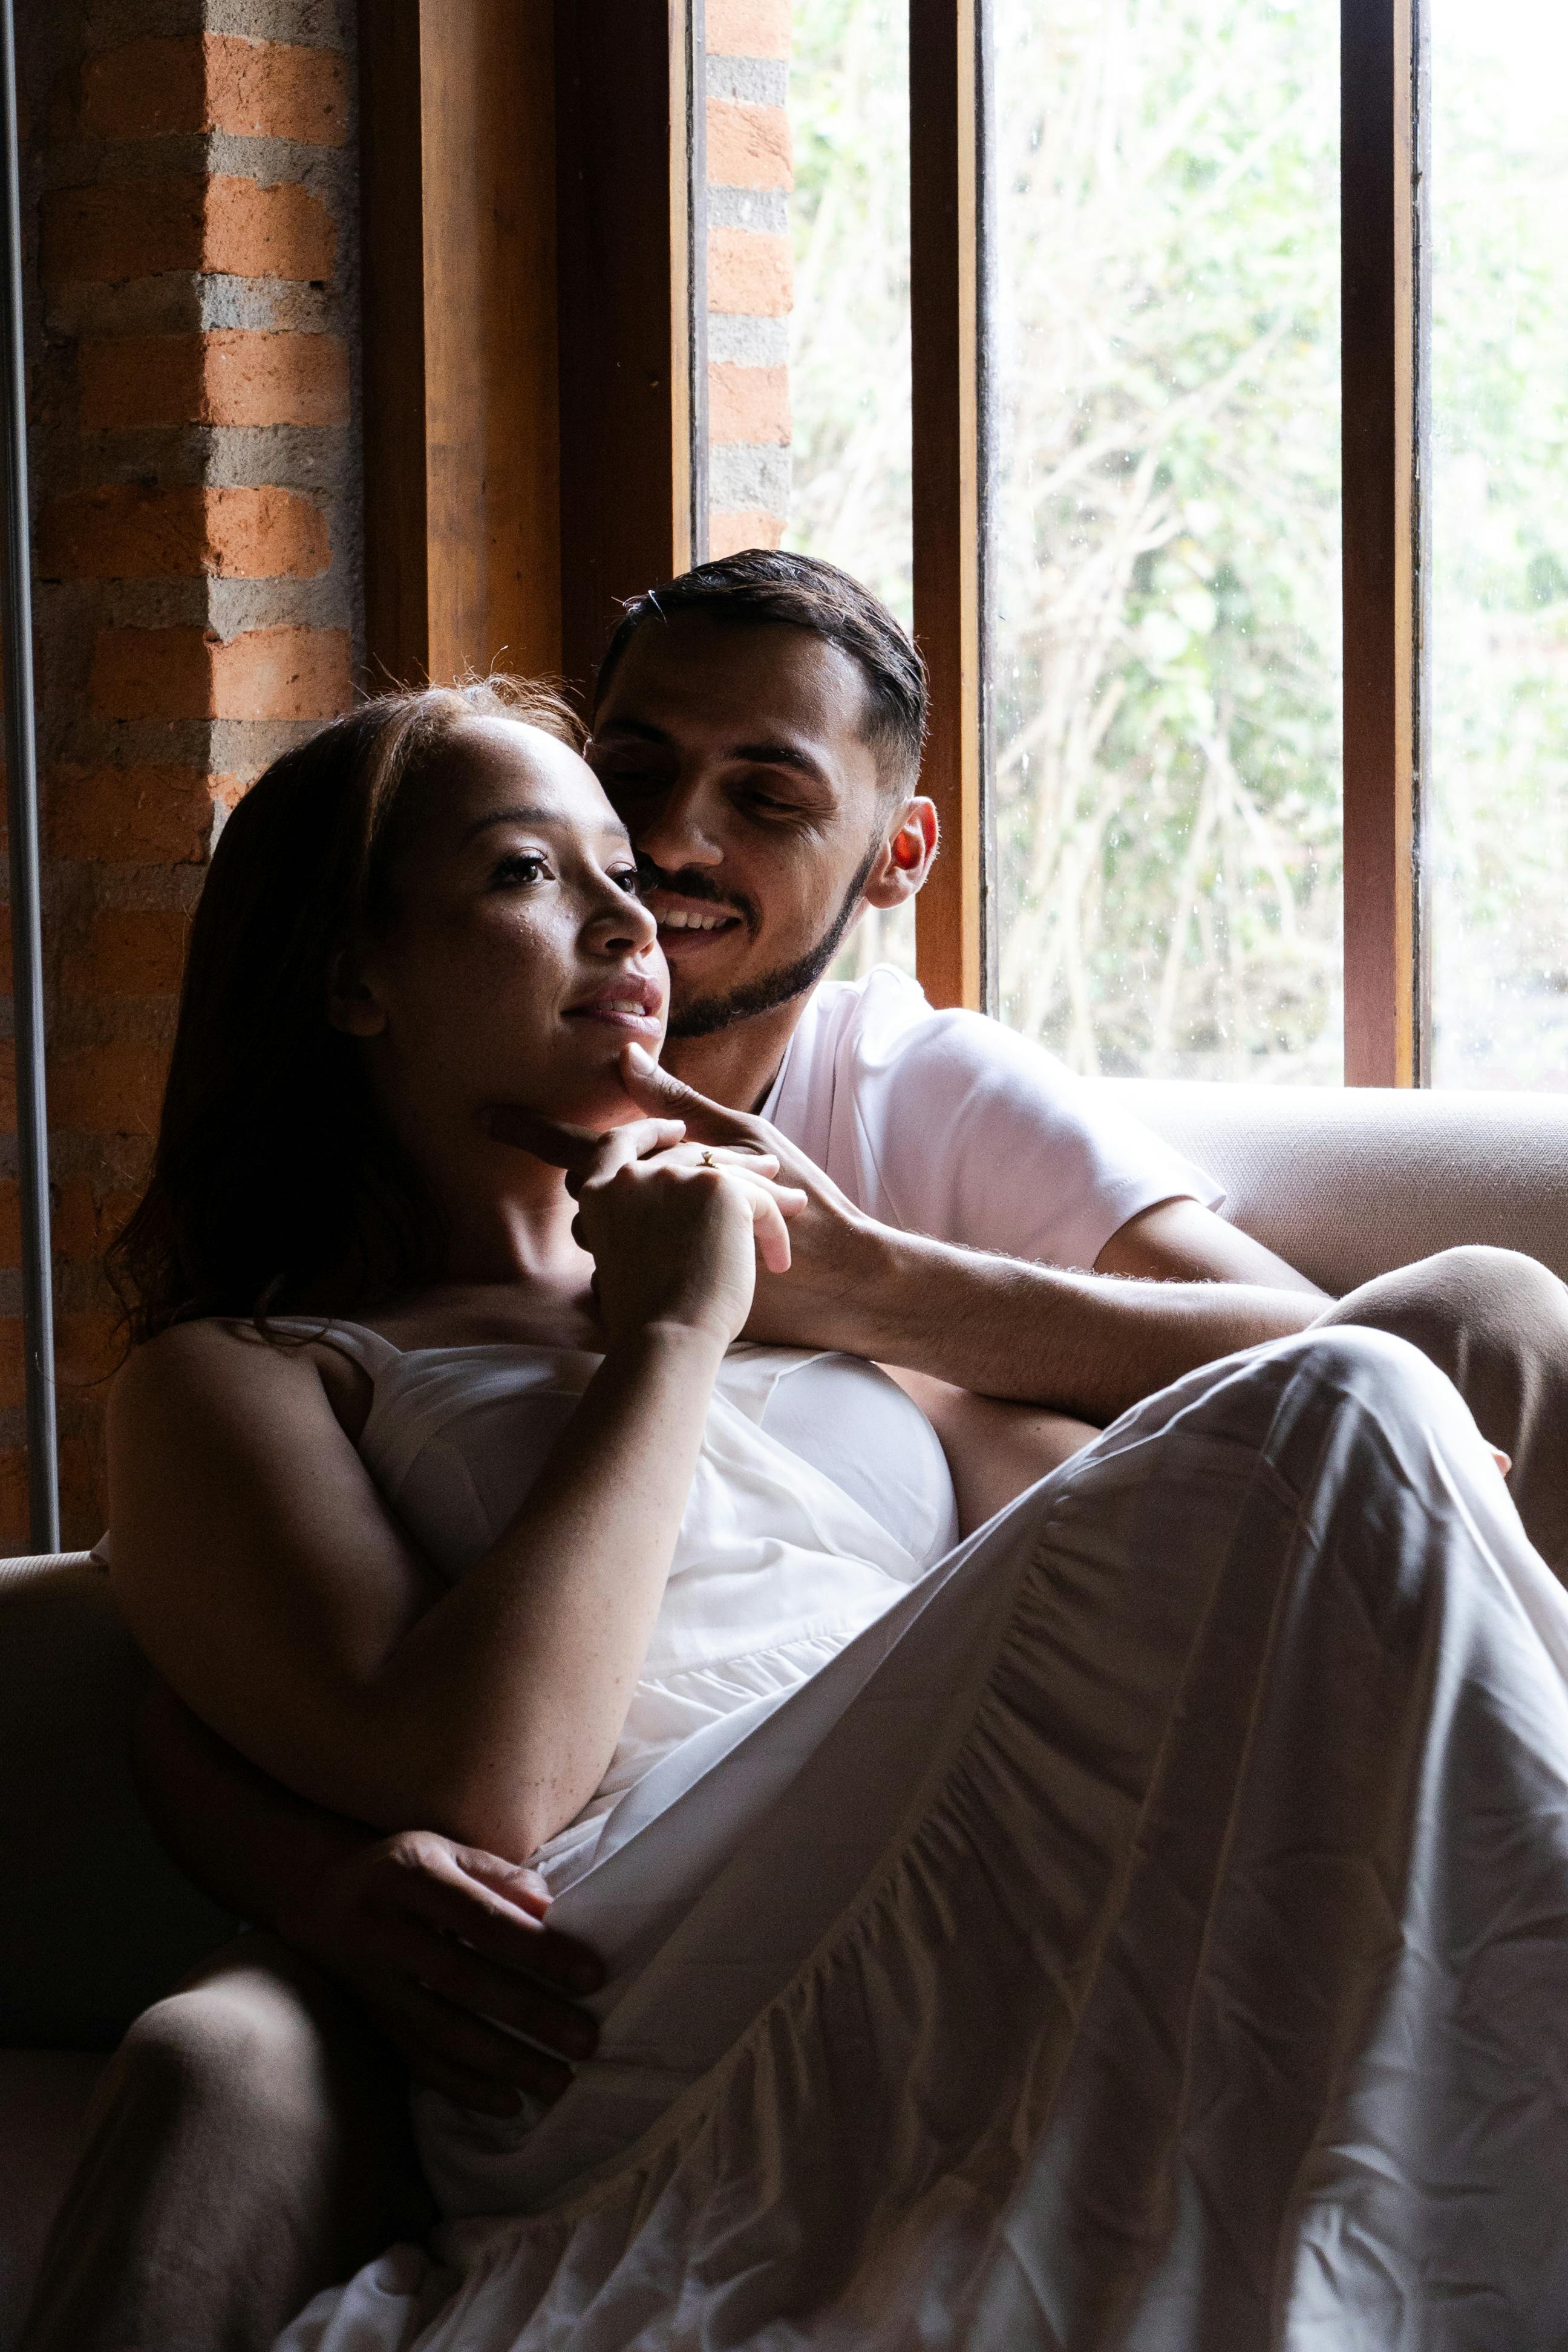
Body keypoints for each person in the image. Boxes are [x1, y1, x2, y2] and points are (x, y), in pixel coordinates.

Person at [22, 565, 1568, 2349]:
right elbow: (484, 1780)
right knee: (1350, 1408)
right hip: (644, 1951)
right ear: (355, 979)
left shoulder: (819, 1252)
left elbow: (1183, 1531)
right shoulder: (252, 1370)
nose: (632, 911)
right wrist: (669, 1335)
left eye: (624, 877)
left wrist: (835, 1287)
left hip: (955, 1852)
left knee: (1383, 1390)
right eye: (534, 873)